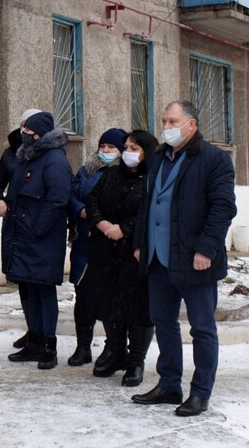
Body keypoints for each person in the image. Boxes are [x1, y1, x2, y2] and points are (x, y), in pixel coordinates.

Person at [131, 101, 237, 416]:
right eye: (164, 121)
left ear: (191, 124)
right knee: (163, 323)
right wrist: (140, 242)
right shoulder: (158, 157)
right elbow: (147, 204)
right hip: (157, 258)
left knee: (202, 328)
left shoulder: (214, 159)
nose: (166, 127)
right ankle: (169, 384)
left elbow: (223, 208)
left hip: (194, 258)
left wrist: (207, 249)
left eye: (173, 121)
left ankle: (200, 393)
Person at [84, 129, 158, 386]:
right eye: (126, 147)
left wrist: (124, 229)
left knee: (138, 307)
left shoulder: (154, 178)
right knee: (108, 302)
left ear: (147, 152)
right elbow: (92, 200)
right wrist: (103, 224)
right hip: (105, 249)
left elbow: (152, 212)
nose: (128, 153)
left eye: (134, 149)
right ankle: (115, 351)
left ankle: (136, 360)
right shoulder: (112, 174)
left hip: (135, 251)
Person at [5, 111, 71, 369]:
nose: (24, 134)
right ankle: (34, 342)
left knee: (44, 290)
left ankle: (48, 347)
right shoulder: (29, 156)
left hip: (42, 238)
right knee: (31, 289)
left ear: (41, 134)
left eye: (29, 131)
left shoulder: (54, 159)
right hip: (25, 236)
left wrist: (36, 229)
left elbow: (58, 198)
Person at [66, 127, 127, 367]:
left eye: (111, 147)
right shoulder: (87, 170)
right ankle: (83, 347)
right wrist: (80, 210)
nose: (106, 151)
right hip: (85, 241)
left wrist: (100, 218)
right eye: (103, 146)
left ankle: (113, 348)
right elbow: (71, 195)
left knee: (110, 298)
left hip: (111, 243)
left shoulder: (126, 173)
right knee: (83, 296)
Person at [0, 107, 41, 350]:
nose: (27, 131)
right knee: (21, 278)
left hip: (38, 225)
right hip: (15, 224)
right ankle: (32, 331)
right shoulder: (10, 153)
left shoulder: (50, 154)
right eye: (24, 125)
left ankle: (42, 335)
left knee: (39, 281)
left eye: (32, 127)